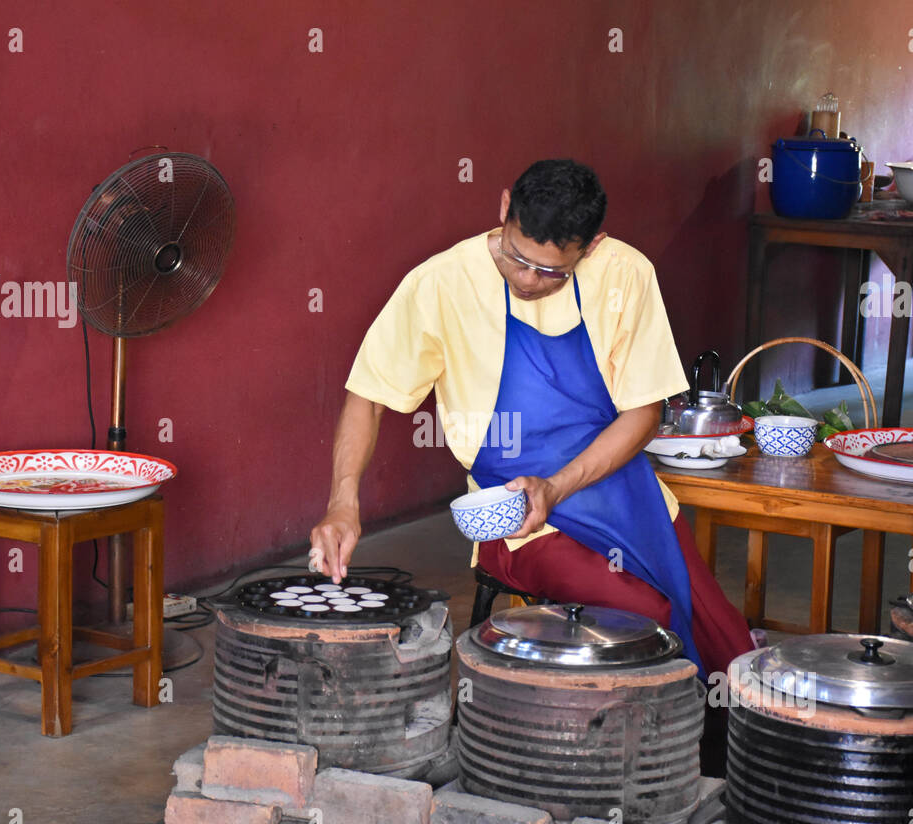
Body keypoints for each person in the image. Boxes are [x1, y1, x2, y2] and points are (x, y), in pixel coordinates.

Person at [309, 159, 752, 678]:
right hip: (517, 515)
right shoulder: (441, 284)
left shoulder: (626, 274)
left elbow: (644, 413)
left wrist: (557, 487)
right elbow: (369, 394)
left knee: (724, 639)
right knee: (644, 616)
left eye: (551, 272)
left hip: (620, 487)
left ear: (591, 247)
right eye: (518, 258)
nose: (528, 279)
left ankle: (702, 750)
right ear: (503, 209)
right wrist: (343, 502)